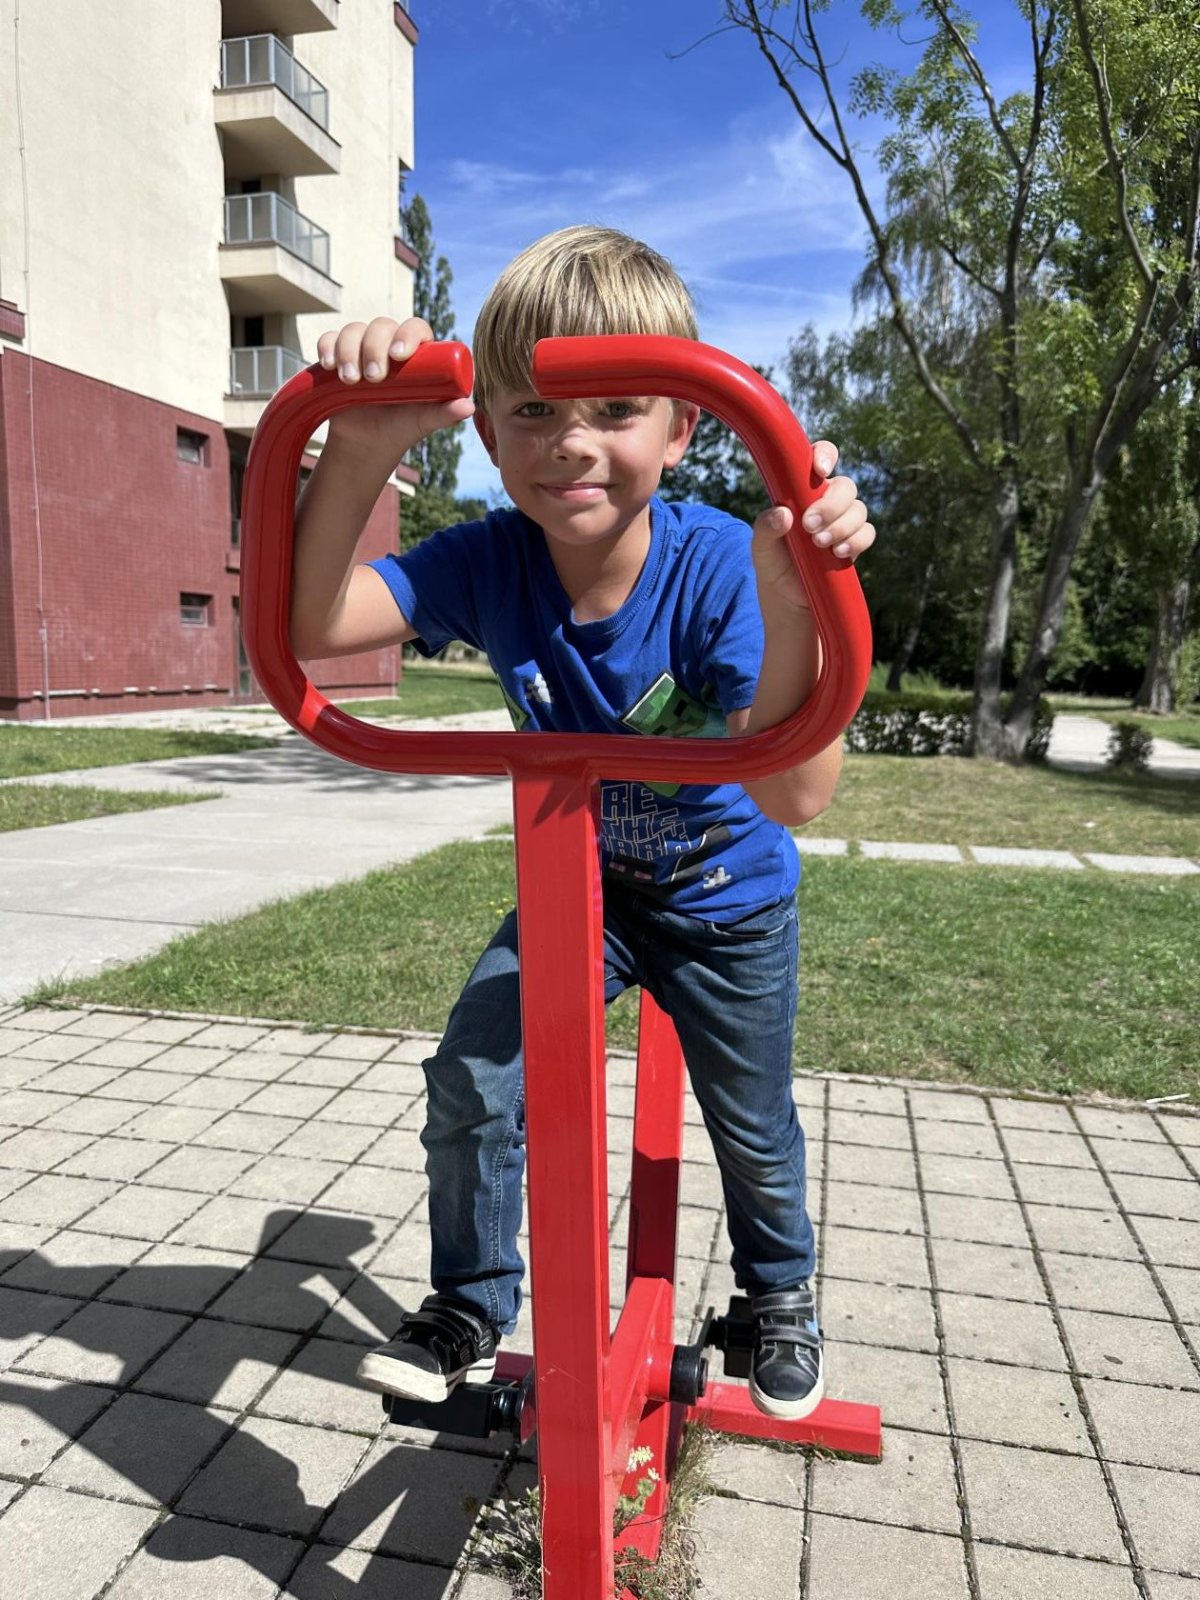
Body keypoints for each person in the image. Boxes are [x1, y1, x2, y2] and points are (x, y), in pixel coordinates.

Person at [289, 226, 874, 1420]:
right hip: (585, 892)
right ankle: (469, 1300)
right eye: (533, 411)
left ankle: (777, 1290)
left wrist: (792, 606)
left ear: (682, 427)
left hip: (726, 899)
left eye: (615, 409)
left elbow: (798, 794)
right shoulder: (491, 559)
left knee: (751, 1120)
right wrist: (359, 450)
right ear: (489, 433)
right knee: (473, 1071)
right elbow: (317, 626)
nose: (570, 441)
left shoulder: (720, 564)